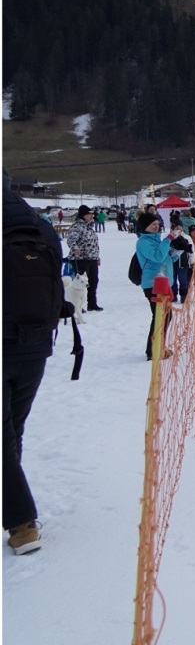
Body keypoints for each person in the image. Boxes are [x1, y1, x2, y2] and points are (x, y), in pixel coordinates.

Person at [3, 170, 74, 555]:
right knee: (12, 430)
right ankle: (15, 514)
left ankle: (21, 523)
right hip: (36, 343)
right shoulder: (40, 226)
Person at [135, 212, 178, 361]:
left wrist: (178, 249)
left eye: (157, 224)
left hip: (163, 282)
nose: (156, 227)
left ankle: (159, 346)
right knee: (160, 316)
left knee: (165, 316)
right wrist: (168, 240)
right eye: (153, 224)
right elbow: (157, 256)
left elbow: (166, 257)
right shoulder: (143, 242)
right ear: (145, 227)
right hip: (152, 284)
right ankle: (153, 350)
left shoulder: (156, 240)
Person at [65, 205, 102, 311]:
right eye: (89, 214)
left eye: (92, 214)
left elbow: (94, 244)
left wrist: (97, 257)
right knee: (79, 283)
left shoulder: (90, 227)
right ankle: (77, 306)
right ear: (83, 215)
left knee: (93, 282)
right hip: (80, 259)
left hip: (92, 259)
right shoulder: (77, 227)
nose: (91, 216)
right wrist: (75, 249)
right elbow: (71, 240)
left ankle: (92, 303)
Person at [170, 225, 194, 303]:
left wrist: (192, 261)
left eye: (180, 227)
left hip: (183, 262)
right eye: (176, 227)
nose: (178, 229)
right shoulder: (169, 237)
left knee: (183, 279)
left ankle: (184, 296)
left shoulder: (187, 237)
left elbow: (191, 250)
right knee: (172, 279)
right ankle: (173, 295)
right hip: (172, 263)